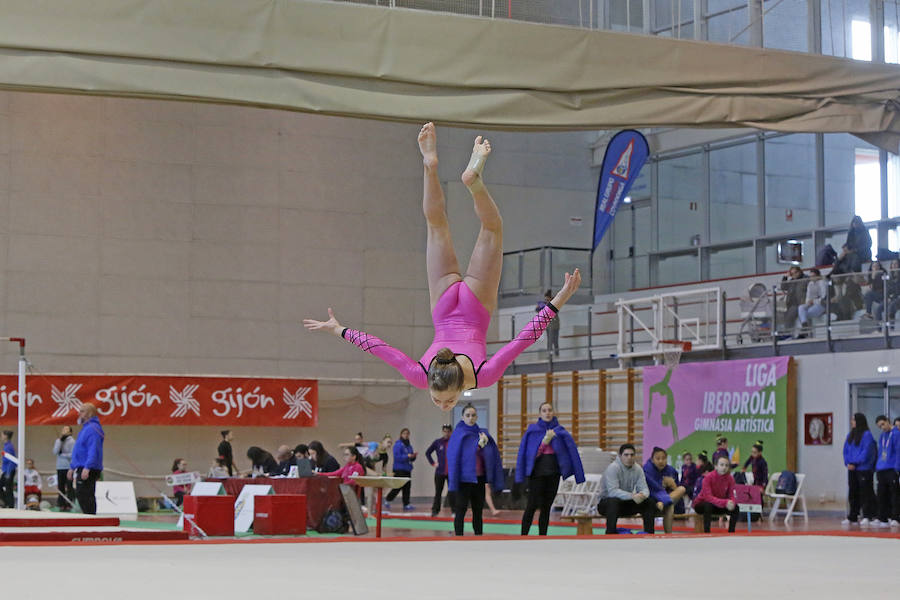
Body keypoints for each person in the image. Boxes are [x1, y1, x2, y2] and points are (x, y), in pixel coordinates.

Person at [304, 123, 583, 412]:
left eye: (441, 400)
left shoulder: (481, 377)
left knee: (489, 228)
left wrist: (339, 330)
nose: (443, 405)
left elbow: (526, 337)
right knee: (437, 227)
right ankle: (431, 166)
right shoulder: (424, 376)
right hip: (446, 305)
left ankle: (462, 176)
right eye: (446, 400)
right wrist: (338, 330)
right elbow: (379, 347)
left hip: (472, 307)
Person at [516, 402, 585, 536]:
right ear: (540, 414)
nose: (547, 413)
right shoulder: (533, 431)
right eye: (544, 410)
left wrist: (578, 474)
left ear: (553, 413)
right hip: (537, 473)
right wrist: (544, 442)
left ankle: (543, 536)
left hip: (553, 473)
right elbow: (529, 455)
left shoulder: (560, 431)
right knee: (532, 505)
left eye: (549, 410)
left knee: (546, 507)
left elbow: (571, 452)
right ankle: (523, 534)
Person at [447, 403, 504, 536]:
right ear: (462, 417)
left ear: (477, 417)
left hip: (479, 478)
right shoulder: (458, 434)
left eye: (473, 415)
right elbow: (455, 456)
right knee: (461, 509)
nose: (470, 418)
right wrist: (477, 446)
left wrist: (484, 446)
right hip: (464, 479)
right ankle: (459, 537)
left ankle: (479, 536)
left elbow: (491, 455)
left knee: (478, 510)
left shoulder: (482, 433)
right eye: (467, 415)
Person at [596, 443, 655, 535]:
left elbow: (645, 489)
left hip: (625, 503)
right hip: (606, 505)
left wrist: (642, 495)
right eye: (626, 455)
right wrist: (632, 496)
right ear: (620, 456)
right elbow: (613, 492)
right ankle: (610, 534)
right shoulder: (613, 468)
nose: (629, 457)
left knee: (649, 502)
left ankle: (649, 534)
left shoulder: (638, 469)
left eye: (632, 455)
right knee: (613, 501)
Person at [68, 403, 104, 515]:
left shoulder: (93, 429)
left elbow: (93, 450)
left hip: (88, 467)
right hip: (82, 466)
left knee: (85, 493)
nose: (79, 414)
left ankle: (91, 517)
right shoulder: (85, 429)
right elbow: (78, 450)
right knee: (81, 493)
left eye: (82, 411)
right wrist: (72, 467)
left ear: (89, 414)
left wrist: (88, 466)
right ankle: (88, 515)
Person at [842, 412, 877, 526]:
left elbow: (866, 452)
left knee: (865, 492)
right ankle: (853, 516)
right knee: (853, 492)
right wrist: (848, 462)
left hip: (863, 469)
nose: (852, 421)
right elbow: (846, 450)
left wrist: (855, 462)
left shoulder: (867, 435)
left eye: (853, 419)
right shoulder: (850, 435)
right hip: (852, 469)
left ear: (859, 421)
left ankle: (867, 515)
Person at [643, 447, 686, 534]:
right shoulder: (647, 470)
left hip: (664, 503)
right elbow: (649, 490)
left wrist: (672, 485)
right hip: (652, 501)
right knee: (670, 506)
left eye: (663, 458)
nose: (661, 461)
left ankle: (668, 535)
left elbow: (676, 491)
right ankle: (669, 533)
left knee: (681, 489)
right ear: (652, 459)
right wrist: (662, 486)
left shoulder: (671, 470)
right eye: (658, 458)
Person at [693, 456, 740, 533]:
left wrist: (732, 502)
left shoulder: (730, 478)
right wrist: (725, 502)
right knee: (708, 505)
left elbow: (732, 494)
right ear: (716, 466)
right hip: (702, 504)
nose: (724, 467)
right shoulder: (708, 478)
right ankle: (707, 532)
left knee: (736, 508)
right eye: (721, 465)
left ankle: (731, 532)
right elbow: (708, 497)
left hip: (719, 505)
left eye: (726, 465)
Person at [873, 415, 900, 527]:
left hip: (892, 468)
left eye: (883, 424)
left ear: (888, 421)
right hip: (882, 469)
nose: (882, 427)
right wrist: (877, 466)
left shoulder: (896, 434)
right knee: (881, 494)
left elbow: (898, 451)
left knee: (894, 494)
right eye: (880, 426)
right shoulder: (882, 436)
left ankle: (895, 517)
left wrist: (897, 467)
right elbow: (880, 452)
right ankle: (882, 517)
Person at [425, 424, 453, 517]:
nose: (446, 433)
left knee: (453, 492)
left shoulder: (454, 442)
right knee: (438, 492)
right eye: (445, 431)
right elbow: (428, 452)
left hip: (451, 472)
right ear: (442, 431)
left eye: (448, 431)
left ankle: (455, 511)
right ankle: (435, 510)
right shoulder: (438, 442)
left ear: (451, 432)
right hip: (440, 472)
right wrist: (433, 463)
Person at [385, 428, 416, 510]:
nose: (406, 435)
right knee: (397, 487)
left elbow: (411, 457)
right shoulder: (398, 445)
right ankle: (387, 500)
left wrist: (413, 457)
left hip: (407, 469)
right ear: (401, 434)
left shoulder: (409, 446)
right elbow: (397, 457)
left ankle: (406, 504)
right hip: (399, 469)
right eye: (404, 433)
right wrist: (407, 456)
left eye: (407, 434)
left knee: (407, 487)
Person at [797, 268, 827, 337]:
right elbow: (808, 296)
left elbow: (823, 296)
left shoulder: (822, 282)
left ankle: (804, 330)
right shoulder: (810, 284)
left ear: (818, 276)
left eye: (813, 276)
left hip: (821, 304)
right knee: (801, 307)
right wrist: (808, 302)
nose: (812, 278)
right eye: (810, 276)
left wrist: (814, 301)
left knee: (804, 314)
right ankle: (805, 327)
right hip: (811, 303)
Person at [52, 425, 75, 510]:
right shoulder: (58, 440)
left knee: (69, 486)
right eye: (63, 429)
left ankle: (69, 503)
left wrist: (63, 455)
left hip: (68, 467)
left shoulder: (72, 441)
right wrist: (60, 442)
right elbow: (55, 452)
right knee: (61, 486)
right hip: (60, 466)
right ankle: (61, 503)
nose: (64, 431)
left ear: (70, 432)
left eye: (66, 429)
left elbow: (73, 454)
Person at [780, 266, 808, 334]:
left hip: (800, 303)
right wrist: (785, 277)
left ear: (800, 271)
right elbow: (783, 287)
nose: (794, 275)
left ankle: (787, 332)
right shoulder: (792, 281)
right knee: (782, 314)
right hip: (790, 304)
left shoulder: (806, 279)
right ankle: (786, 331)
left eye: (796, 272)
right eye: (792, 274)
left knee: (790, 315)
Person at [536, 290, 561, 356]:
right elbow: (537, 310)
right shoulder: (545, 304)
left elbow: (555, 310)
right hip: (548, 326)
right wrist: (540, 307)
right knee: (549, 341)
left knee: (555, 341)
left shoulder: (554, 303)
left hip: (555, 325)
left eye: (547, 299)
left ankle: (556, 354)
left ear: (550, 298)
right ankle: (550, 355)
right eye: (545, 299)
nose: (546, 300)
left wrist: (547, 305)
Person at [1, 430, 16, 508]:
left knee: (8, 488)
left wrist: (8, 473)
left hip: (9, 470)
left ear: (6, 436)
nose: (1, 436)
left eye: (2, 435)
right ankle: (7, 502)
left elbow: (11, 461)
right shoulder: (6, 445)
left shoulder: (9, 446)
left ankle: (10, 504)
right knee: (6, 487)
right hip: (6, 470)